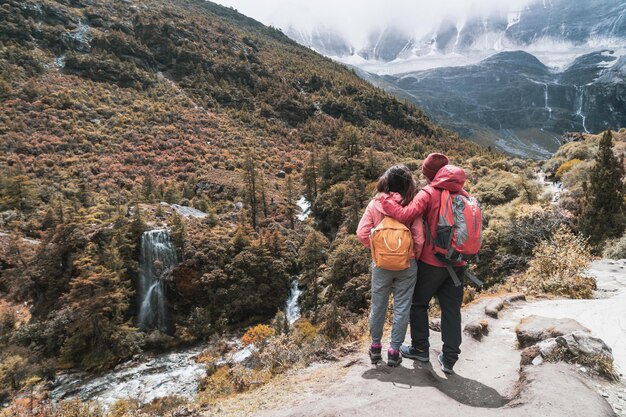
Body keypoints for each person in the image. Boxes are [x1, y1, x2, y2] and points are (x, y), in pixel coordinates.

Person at [380, 153, 467, 374]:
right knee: (451, 310)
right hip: (458, 262)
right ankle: (449, 359)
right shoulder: (463, 192)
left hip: (432, 262)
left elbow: (404, 214)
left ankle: (420, 348)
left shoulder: (428, 193)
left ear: (427, 174)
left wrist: (385, 198)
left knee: (418, 304)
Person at [356, 165, 425, 367]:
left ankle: (375, 347)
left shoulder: (375, 204)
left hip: (381, 264)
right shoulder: (412, 206)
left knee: (378, 305)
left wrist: (378, 250)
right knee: (402, 306)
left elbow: (362, 233)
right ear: (408, 183)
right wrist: (412, 256)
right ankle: (394, 351)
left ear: (385, 182)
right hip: (407, 263)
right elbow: (419, 238)